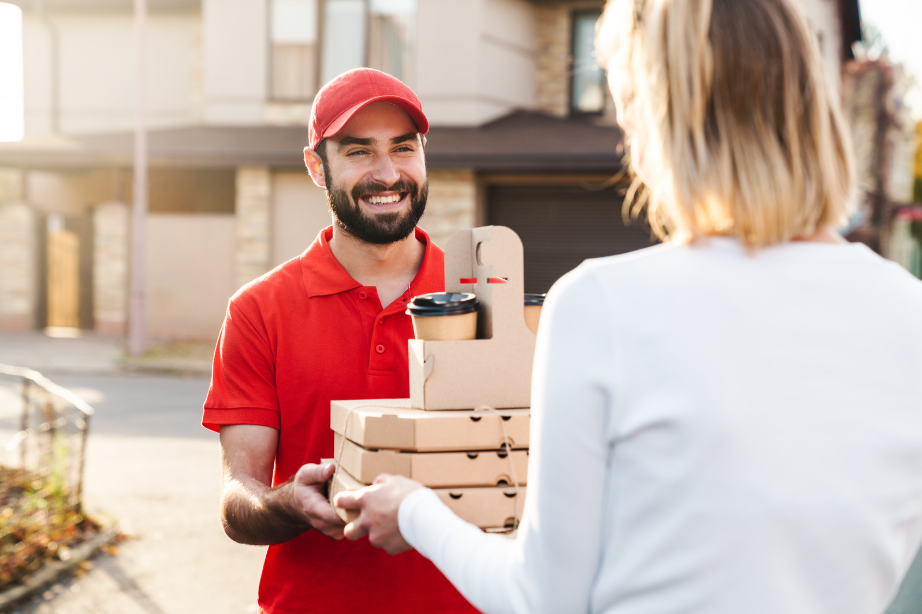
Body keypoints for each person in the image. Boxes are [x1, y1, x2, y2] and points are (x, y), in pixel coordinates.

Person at [334, 1, 922, 613]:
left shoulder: (602, 305)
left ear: (657, 111)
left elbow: (539, 600)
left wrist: (415, 513)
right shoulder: (910, 313)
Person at [201, 68, 477, 613]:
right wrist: (288, 504)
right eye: (358, 152)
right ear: (316, 167)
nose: (387, 173)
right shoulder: (259, 310)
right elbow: (240, 500)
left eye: (403, 148)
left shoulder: (485, 295)